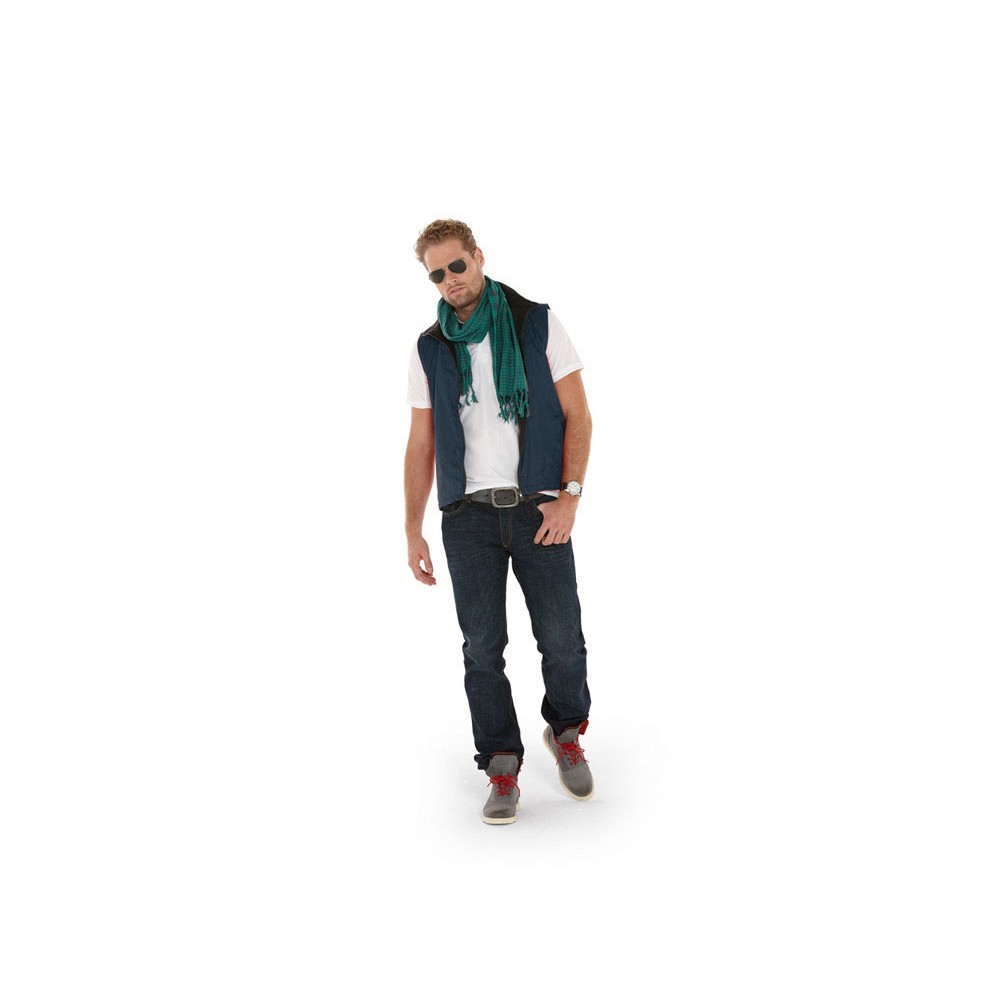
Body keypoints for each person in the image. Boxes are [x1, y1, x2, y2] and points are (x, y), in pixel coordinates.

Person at [404, 219, 594, 825]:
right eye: (436, 274)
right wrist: (412, 529)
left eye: (457, 265)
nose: (450, 280)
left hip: (540, 509)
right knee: (482, 648)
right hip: (468, 518)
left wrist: (569, 497)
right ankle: (501, 763)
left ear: (479, 257)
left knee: (561, 637)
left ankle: (565, 731)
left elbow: (578, 414)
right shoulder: (430, 348)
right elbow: (421, 444)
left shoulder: (536, 322)